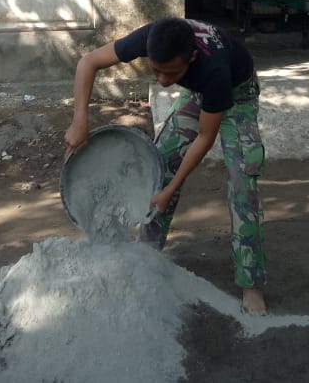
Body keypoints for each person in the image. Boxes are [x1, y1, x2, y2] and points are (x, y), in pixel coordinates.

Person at [65, 16, 267, 315]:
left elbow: (205, 137)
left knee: (242, 183)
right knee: (159, 166)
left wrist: (171, 189)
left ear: (191, 58)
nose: (161, 80)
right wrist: (79, 119)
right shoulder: (150, 37)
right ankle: (145, 258)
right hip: (197, 92)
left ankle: (251, 283)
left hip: (238, 95)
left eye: (170, 73)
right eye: (155, 70)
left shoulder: (214, 70)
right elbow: (88, 62)